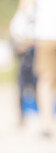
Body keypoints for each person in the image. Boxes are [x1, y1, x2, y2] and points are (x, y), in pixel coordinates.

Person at [9, 0, 38, 124]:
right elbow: (14, 33)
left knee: (36, 83)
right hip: (24, 52)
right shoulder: (20, 17)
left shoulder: (34, 13)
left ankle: (37, 113)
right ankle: (21, 114)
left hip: (33, 50)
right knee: (22, 83)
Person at [33, 0, 56, 137]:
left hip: (45, 35)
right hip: (45, 35)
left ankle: (45, 123)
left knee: (46, 81)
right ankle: (45, 122)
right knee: (46, 80)